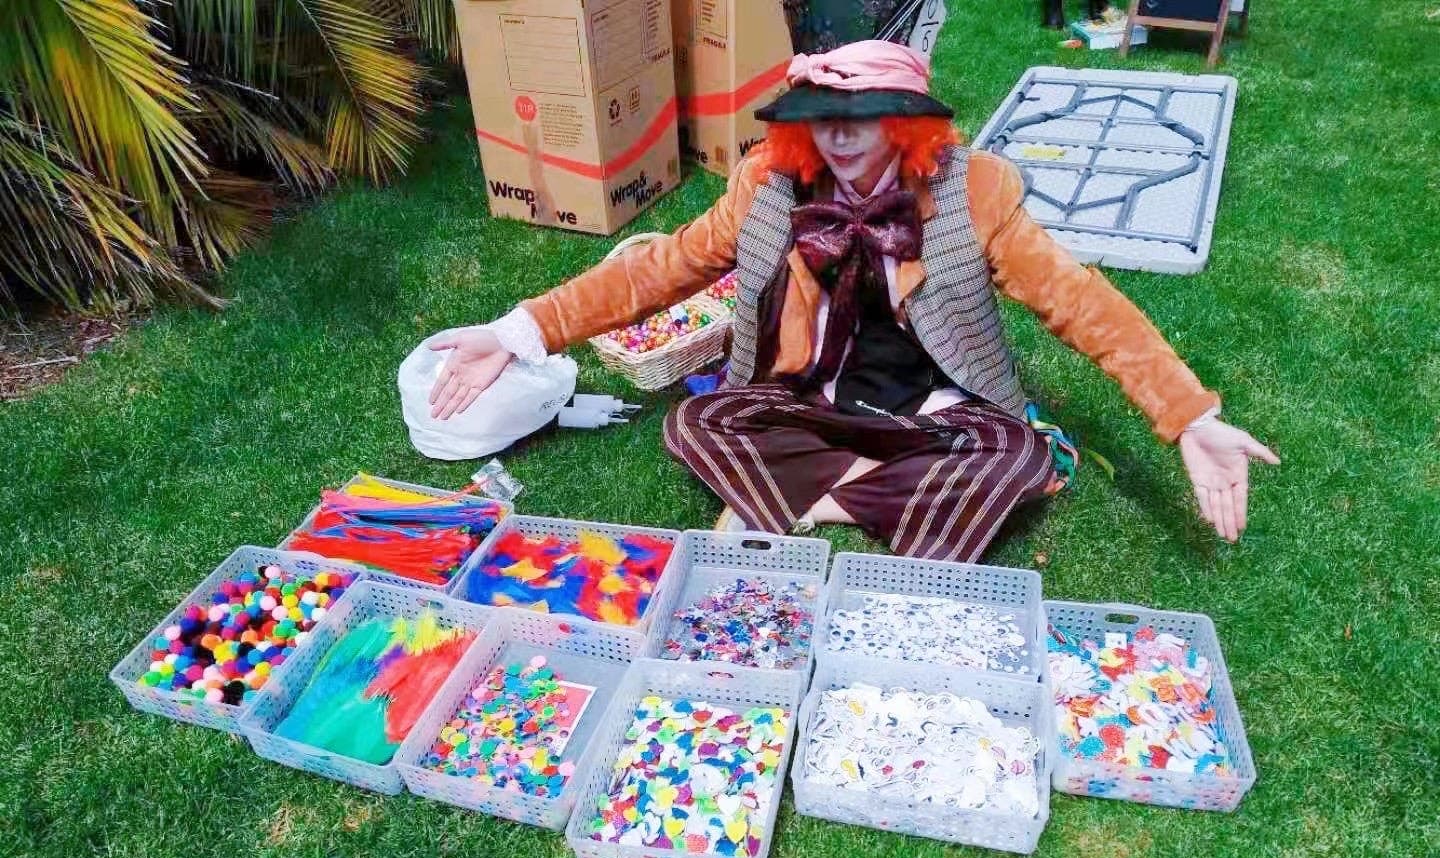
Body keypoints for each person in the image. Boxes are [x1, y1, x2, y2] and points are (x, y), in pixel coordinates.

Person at [427, 40, 1278, 561]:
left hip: (936, 409)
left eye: (862, 118)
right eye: (822, 118)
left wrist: (1191, 417)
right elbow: (661, 270)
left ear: (904, 124)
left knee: (1018, 460)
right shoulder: (768, 183)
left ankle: (809, 501)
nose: (837, 136)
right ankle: (883, 498)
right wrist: (520, 328)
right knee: (693, 425)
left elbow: (1083, 305)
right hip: (809, 400)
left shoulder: (975, 192)